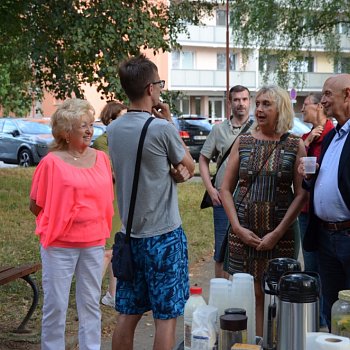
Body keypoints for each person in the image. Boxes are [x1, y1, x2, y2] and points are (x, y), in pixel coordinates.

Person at [107, 54, 195, 350]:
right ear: (149, 89)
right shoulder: (161, 128)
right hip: (163, 237)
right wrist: (169, 120)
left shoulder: (113, 130)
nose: (160, 89)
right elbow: (189, 165)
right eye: (158, 84)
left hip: (129, 237)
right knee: (166, 317)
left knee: (127, 314)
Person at [220, 85, 307, 336]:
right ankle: (252, 342)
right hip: (243, 233)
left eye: (266, 104)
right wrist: (237, 227)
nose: (259, 109)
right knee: (249, 293)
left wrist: (277, 233)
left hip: (281, 235)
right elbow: (226, 189)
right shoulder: (243, 141)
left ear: (281, 108)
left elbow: (301, 193)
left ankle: (276, 340)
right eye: (258, 103)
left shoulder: (294, 144)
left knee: (278, 293)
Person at [29, 98, 114, 350]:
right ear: (66, 132)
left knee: (90, 304)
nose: (89, 130)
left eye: (90, 125)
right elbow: (35, 204)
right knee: (56, 305)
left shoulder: (101, 159)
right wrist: (61, 219)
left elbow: (106, 198)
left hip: (93, 242)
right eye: (83, 126)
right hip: (59, 245)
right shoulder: (51, 162)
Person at [299, 74, 350, 330]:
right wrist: (310, 179)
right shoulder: (333, 136)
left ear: (348, 95)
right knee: (334, 311)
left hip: (347, 235)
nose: (323, 101)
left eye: (328, 94)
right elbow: (326, 180)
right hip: (326, 236)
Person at [199, 85, 253, 278]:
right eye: (237, 100)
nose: (241, 104)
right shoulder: (219, 130)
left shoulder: (258, 129)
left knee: (249, 250)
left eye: (245, 99)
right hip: (222, 199)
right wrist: (211, 189)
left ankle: (244, 296)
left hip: (250, 200)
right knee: (221, 251)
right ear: (230, 103)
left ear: (249, 101)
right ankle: (221, 299)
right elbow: (203, 159)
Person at [298, 93, 334, 328]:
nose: (302, 111)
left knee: (328, 270)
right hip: (305, 212)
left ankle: (327, 320)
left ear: (319, 106)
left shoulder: (335, 133)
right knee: (311, 267)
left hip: (328, 215)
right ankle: (312, 322)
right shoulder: (304, 137)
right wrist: (308, 142)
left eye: (305, 106)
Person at [92, 101, 127, 308]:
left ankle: (112, 294)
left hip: (122, 198)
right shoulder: (102, 143)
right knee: (107, 250)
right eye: (121, 117)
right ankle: (90, 293)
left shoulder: (122, 141)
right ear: (111, 120)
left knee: (116, 249)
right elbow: (112, 173)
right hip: (108, 199)